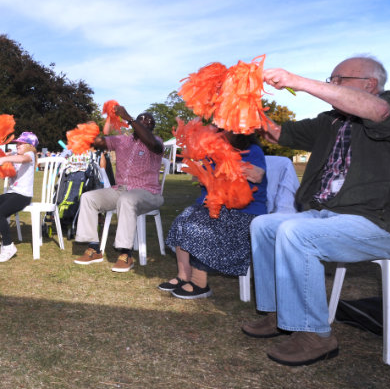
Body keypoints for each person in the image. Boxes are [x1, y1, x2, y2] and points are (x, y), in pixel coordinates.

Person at [241, 56, 390, 366]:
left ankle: (315, 335)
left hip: (384, 223)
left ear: (371, 85)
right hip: (328, 216)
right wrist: (244, 104)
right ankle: (281, 312)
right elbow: (277, 133)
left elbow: (377, 110)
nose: (331, 85)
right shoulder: (331, 121)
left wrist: (297, 81)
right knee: (264, 225)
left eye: (340, 80)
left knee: (294, 231)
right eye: (331, 79)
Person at [162, 131, 267, 299]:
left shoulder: (252, 150)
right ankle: (184, 275)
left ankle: (199, 283)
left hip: (243, 212)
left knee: (197, 227)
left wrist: (226, 162)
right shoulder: (213, 151)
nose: (219, 133)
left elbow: (257, 175)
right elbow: (197, 178)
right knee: (182, 219)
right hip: (211, 206)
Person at [73, 106, 165, 272]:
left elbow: (152, 143)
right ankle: (94, 247)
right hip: (121, 189)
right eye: (141, 120)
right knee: (88, 198)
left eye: (148, 122)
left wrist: (130, 118)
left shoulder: (156, 141)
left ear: (152, 128)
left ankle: (126, 253)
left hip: (148, 193)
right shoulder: (122, 140)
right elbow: (99, 142)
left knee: (126, 199)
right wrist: (87, 131)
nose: (144, 123)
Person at [0, 132, 39, 262]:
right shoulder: (16, 156)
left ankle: (8, 246)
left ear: (30, 145)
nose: (17, 145)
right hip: (12, 193)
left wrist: (5, 159)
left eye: (21, 143)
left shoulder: (29, 155)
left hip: (23, 195)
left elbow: (22, 159)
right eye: (17, 143)